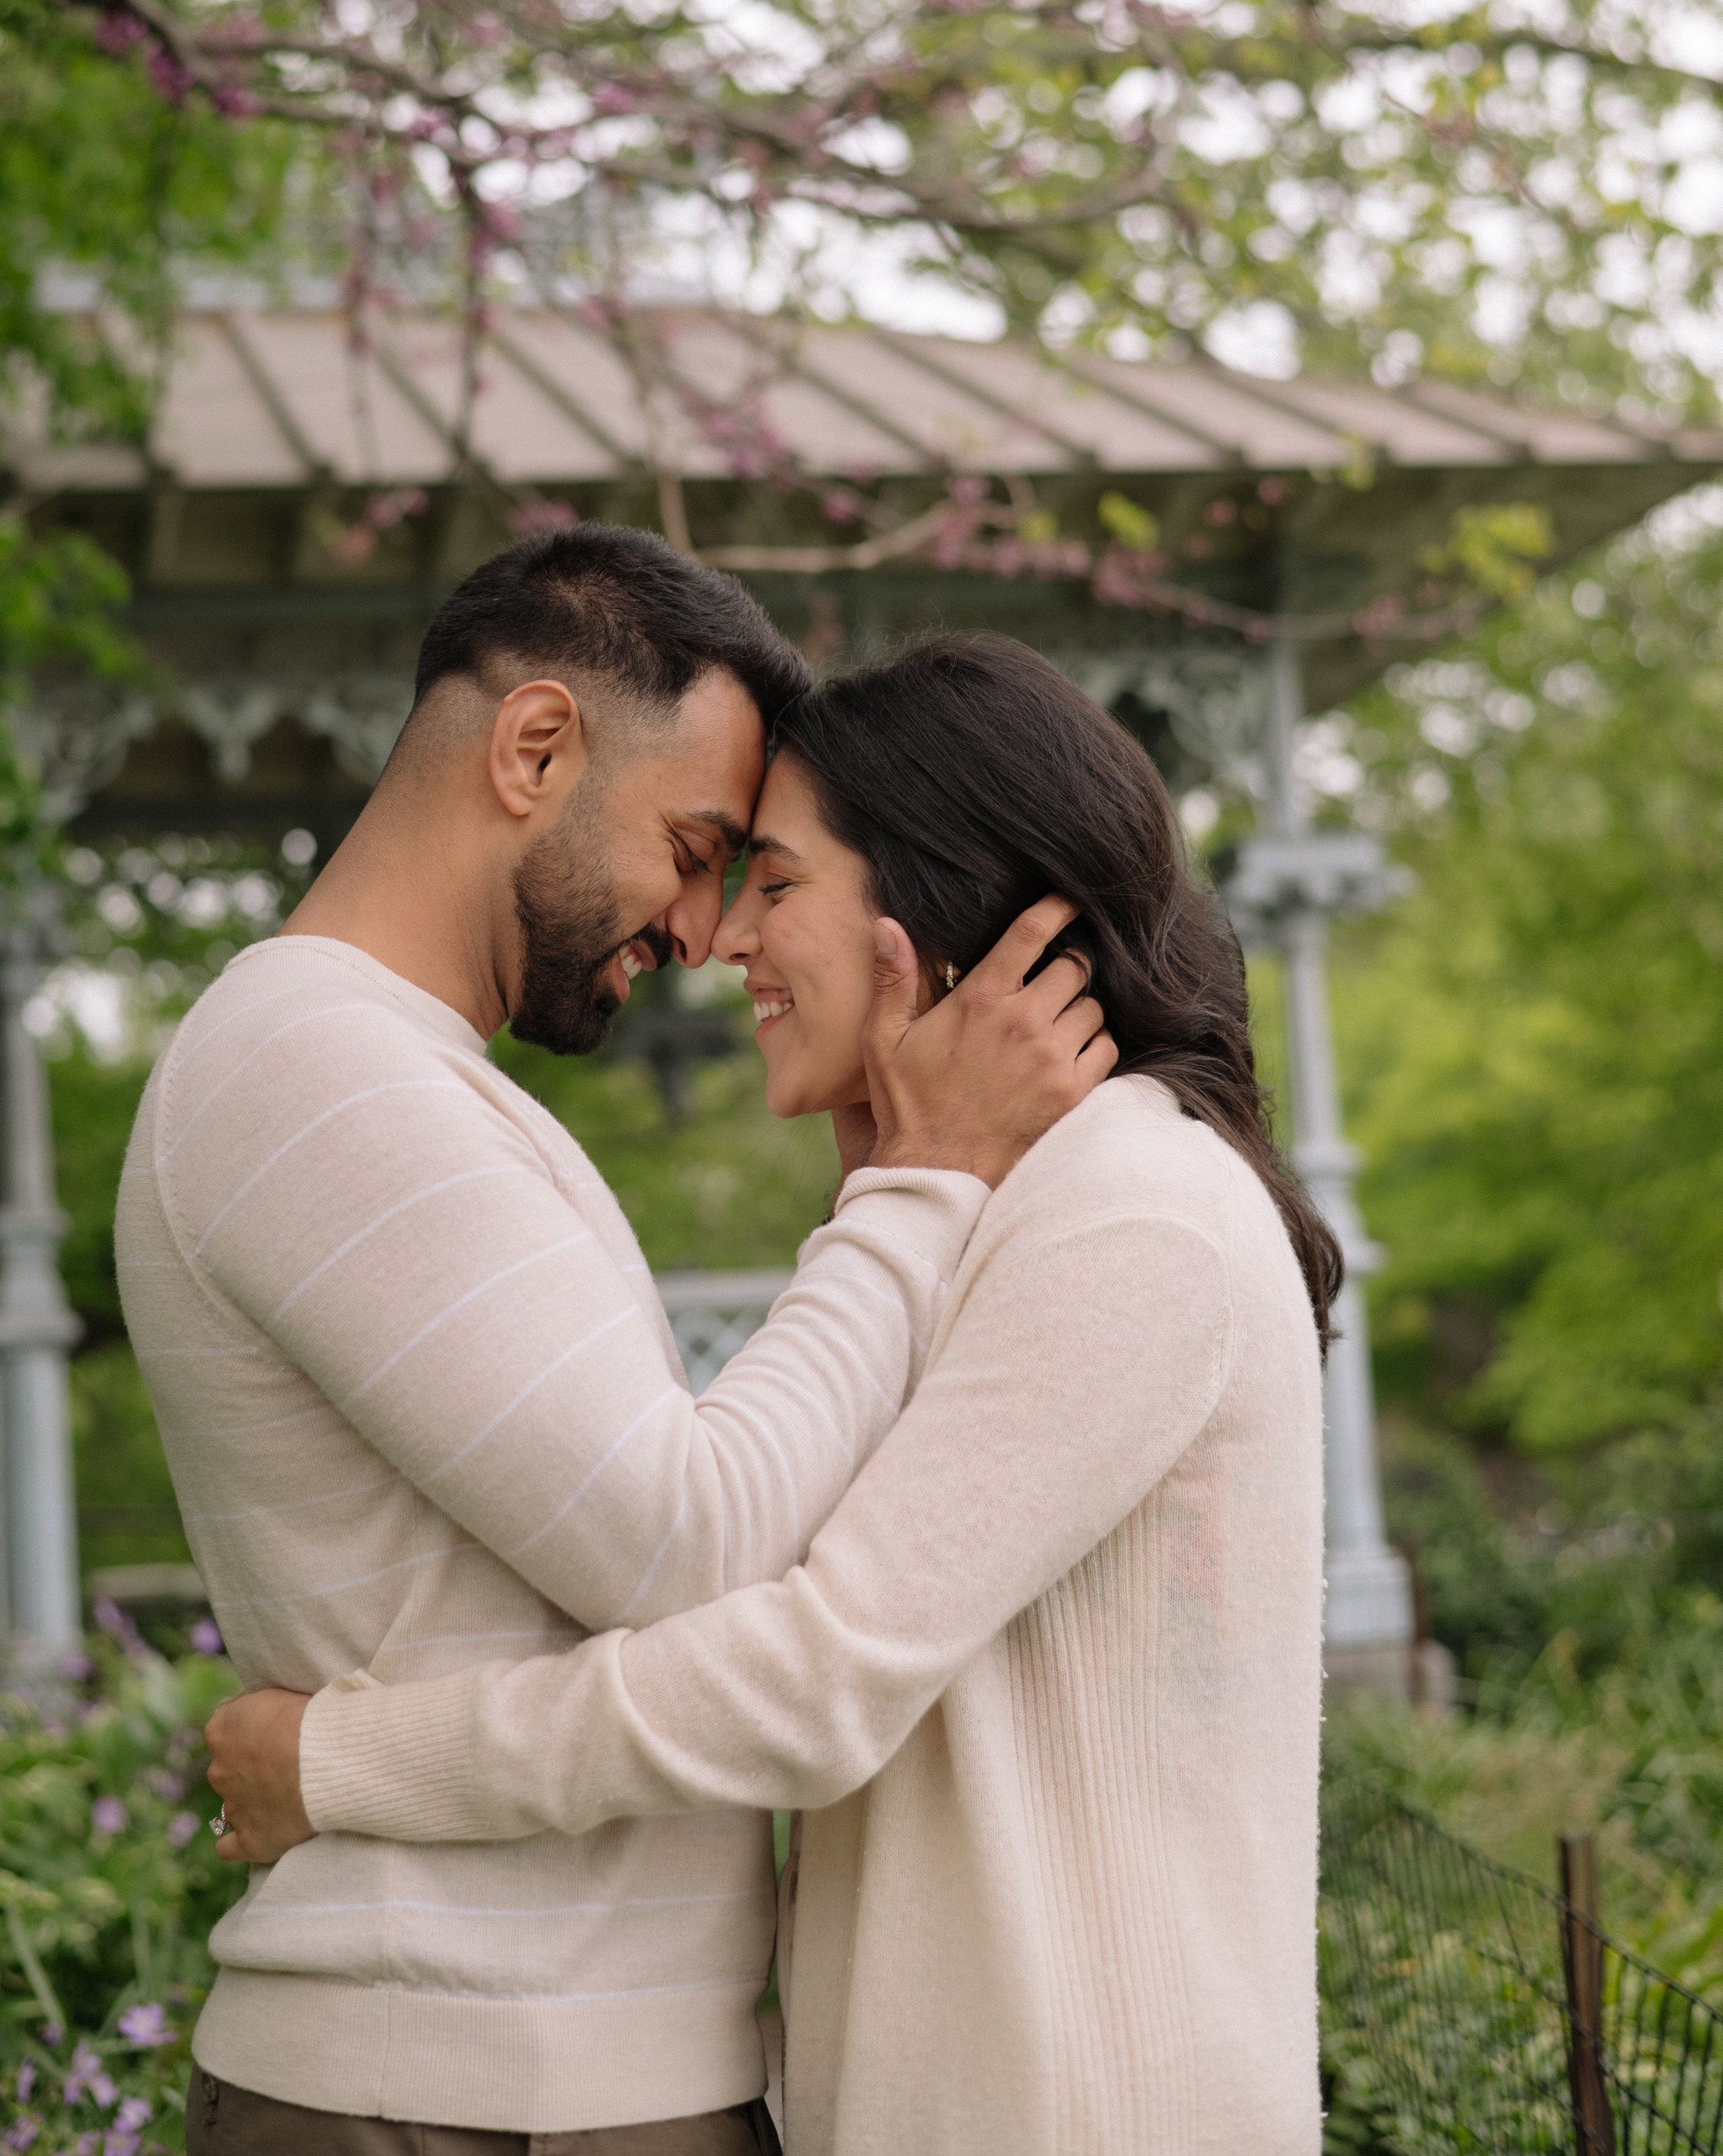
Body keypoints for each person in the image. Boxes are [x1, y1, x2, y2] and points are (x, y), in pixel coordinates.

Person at [205, 634, 1341, 2156]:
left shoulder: (1127, 1201)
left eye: (777, 883)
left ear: (935, 901)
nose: (727, 936)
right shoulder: (1013, 1207)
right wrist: (901, 1178)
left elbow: (810, 1677)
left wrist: (345, 1761)